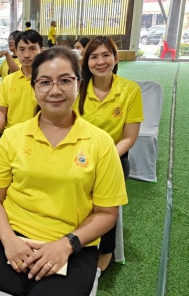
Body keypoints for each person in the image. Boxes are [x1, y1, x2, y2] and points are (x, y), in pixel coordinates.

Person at [0, 47, 128, 296]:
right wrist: (9, 240)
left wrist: (66, 245)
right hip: (12, 235)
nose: (55, 91)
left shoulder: (100, 143)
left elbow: (107, 213)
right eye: (45, 82)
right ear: (34, 87)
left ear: (79, 84)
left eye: (65, 81)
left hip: (73, 242)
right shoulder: (13, 136)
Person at [75, 36, 143, 272]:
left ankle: (106, 251)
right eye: (94, 56)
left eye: (106, 55)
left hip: (115, 156)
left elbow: (129, 137)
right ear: (86, 61)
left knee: (106, 200)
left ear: (115, 58)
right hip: (78, 154)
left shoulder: (129, 90)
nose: (100, 61)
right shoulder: (77, 87)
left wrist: (105, 158)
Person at [0, 30, 43, 149]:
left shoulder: (48, 81)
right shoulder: (8, 80)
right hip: (11, 138)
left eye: (32, 49)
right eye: (22, 49)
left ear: (41, 50)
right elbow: (1, 111)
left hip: (39, 139)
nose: (27, 55)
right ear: (16, 51)